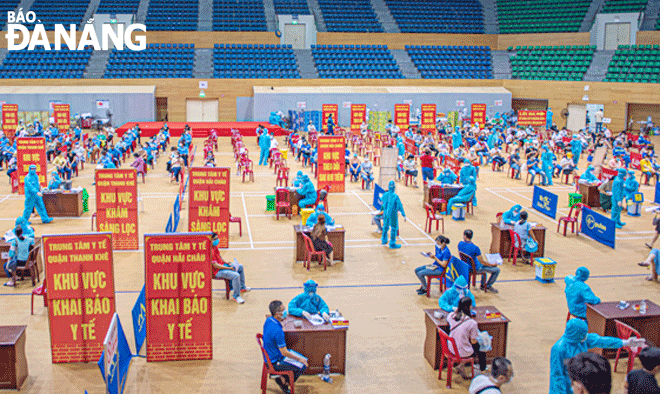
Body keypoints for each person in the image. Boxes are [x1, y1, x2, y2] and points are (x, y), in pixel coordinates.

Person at [549, 318, 644, 394]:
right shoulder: (559, 349)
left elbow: (601, 341)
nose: (586, 336)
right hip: (566, 386)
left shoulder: (581, 339)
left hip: (581, 381)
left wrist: (625, 342)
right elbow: (557, 375)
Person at [263, 300, 308, 394]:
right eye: (283, 310)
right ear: (277, 314)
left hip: (270, 355)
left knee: (302, 359)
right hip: (275, 361)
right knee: (303, 365)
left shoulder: (268, 320)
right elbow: (284, 352)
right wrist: (299, 359)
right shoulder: (278, 331)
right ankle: (284, 384)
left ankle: (283, 379)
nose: (285, 312)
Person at [448, 297, 487, 377]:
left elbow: (450, 315)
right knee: (481, 348)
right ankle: (483, 370)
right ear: (469, 307)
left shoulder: (451, 316)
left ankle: (461, 365)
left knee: (468, 344)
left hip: (451, 347)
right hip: (461, 352)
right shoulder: (472, 323)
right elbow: (473, 341)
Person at [211, 232, 250, 304]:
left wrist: (227, 262)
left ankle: (242, 287)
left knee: (240, 266)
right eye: (215, 239)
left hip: (223, 266)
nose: (217, 240)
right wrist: (229, 268)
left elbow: (220, 257)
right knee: (236, 275)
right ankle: (236, 296)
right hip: (217, 271)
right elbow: (215, 265)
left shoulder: (214, 247)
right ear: (210, 240)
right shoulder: (209, 251)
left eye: (217, 238)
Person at [380, 180, 406, 249]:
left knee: (385, 226)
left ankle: (384, 240)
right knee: (393, 228)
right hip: (393, 214)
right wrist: (403, 214)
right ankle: (392, 244)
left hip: (386, 214)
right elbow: (400, 206)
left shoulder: (385, 194)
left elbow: (381, 201)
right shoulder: (395, 196)